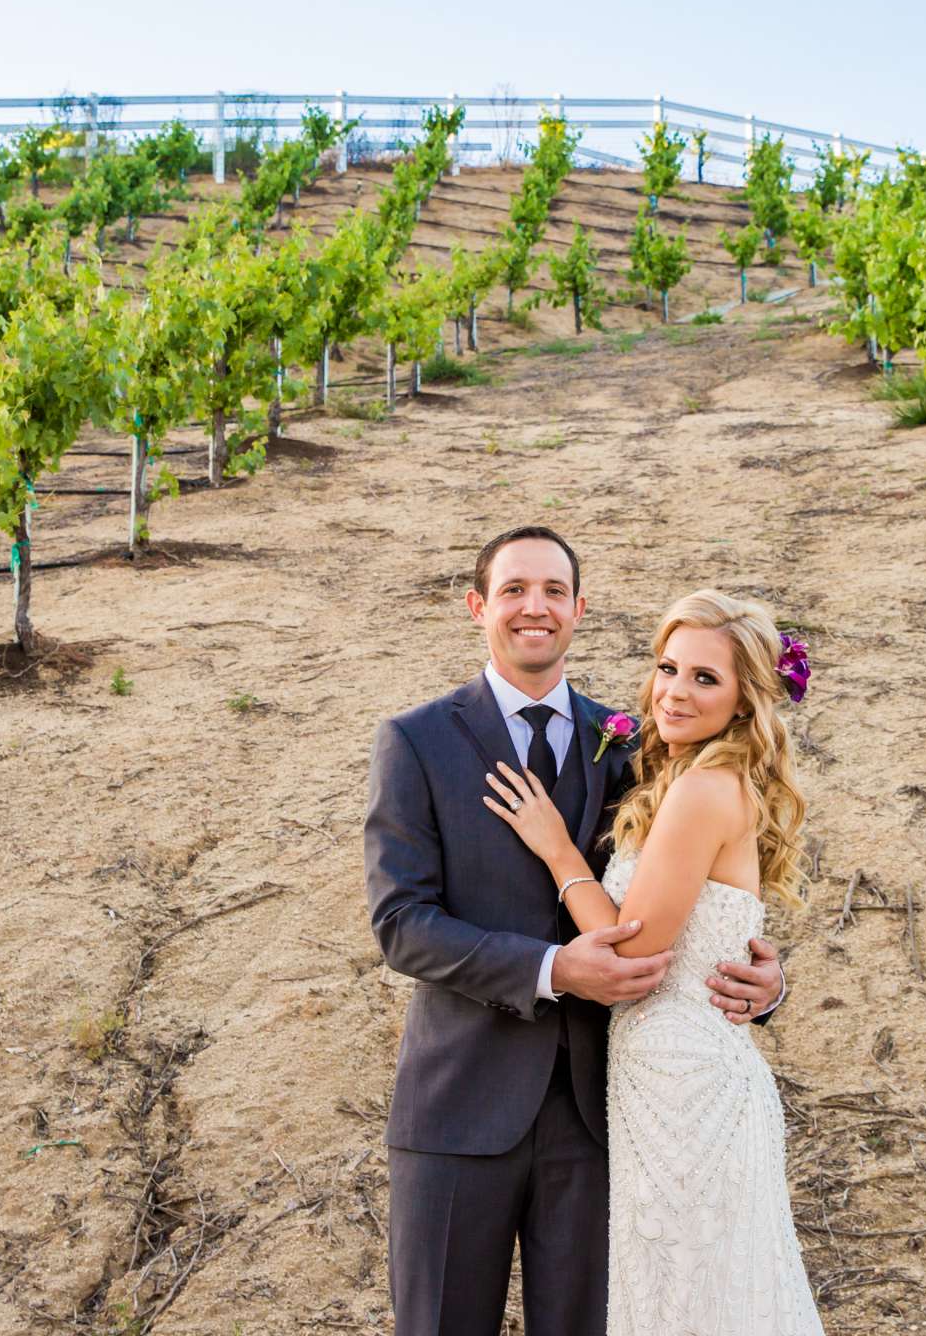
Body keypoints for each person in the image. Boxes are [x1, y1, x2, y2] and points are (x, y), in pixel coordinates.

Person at [364, 527, 787, 1335]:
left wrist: (765, 984)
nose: (536, 607)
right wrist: (553, 969)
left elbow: (702, 895)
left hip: (604, 1123)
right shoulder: (416, 741)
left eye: (554, 590)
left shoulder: (640, 744)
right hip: (458, 1110)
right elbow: (401, 925)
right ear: (477, 606)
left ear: (579, 609)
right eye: (515, 589)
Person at [483, 587, 824, 1335]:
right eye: (669, 667)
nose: (674, 691)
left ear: (746, 700)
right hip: (666, 1074)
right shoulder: (680, 770)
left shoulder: (704, 788)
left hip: (686, 1085)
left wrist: (557, 849)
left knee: (690, 1298)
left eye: (706, 678)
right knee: (690, 1293)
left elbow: (634, 954)